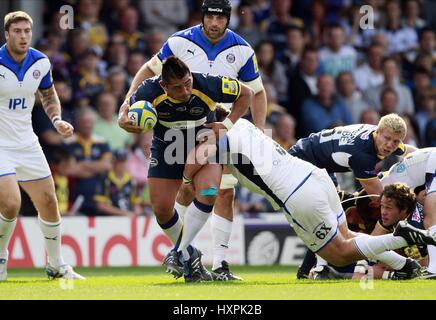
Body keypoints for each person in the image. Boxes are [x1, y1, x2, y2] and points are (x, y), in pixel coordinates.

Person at [171, 113, 435, 282]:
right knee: (348, 238)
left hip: (298, 195)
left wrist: (184, 182)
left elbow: (199, 159)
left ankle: (402, 236)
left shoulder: (220, 135)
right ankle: (405, 265)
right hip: (316, 177)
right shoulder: (245, 125)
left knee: (341, 254)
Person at [118, 0, 267, 280]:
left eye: (220, 18)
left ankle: (214, 262)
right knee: (169, 202)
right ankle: (188, 254)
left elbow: (254, 92)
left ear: (228, 19)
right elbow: (147, 72)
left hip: (210, 126)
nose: (214, 23)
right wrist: (127, 104)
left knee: (221, 190)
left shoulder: (242, 50)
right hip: (170, 133)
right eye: (210, 17)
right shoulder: (177, 43)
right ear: (202, 17)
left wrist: (252, 129)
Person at [0, 11, 83, 281]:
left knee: (49, 201)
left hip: (27, 141)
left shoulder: (41, 61)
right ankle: (1, 260)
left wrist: (57, 119)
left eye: (27, 31)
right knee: (11, 203)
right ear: (7, 34)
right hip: (1, 144)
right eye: (17, 31)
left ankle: (56, 265)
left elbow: (48, 94)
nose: (23, 36)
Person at [289, 113, 417, 278]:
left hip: (320, 163)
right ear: (378, 131)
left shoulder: (380, 136)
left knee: (333, 215)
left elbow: (409, 151)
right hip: (303, 161)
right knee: (329, 216)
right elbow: (380, 199)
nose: (390, 145)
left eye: (395, 141)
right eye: (387, 139)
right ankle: (316, 269)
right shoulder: (362, 155)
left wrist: (427, 159)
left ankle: (309, 270)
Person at [380, 147, 436, 278]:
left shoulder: (385, 188)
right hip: (429, 164)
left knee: (431, 219)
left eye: (387, 207)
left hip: (432, 165)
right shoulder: (393, 181)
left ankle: (434, 269)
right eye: (383, 207)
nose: (383, 212)